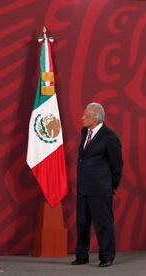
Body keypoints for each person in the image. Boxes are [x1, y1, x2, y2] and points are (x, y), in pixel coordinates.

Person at [71, 103, 123, 267]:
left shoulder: (110, 137)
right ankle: (82, 255)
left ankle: (107, 256)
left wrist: (110, 185)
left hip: (100, 189)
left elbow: (117, 166)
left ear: (95, 119)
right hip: (83, 187)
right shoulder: (85, 131)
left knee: (103, 224)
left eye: (85, 116)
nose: (82, 118)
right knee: (82, 224)